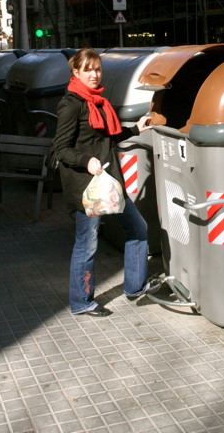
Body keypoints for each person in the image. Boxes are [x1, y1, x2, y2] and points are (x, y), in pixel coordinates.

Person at [53, 48, 156, 317]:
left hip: (109, 183)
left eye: (97, 69)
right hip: (87, 188)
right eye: (88, 69)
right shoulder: (71, 104)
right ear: (76, 72)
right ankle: (81, 301)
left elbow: (106, 137)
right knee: (87, 244)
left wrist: (136, 129)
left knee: (138, 228)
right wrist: (86, 160)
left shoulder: (99, 101)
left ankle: (135, 287)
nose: (94, 74)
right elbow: (60, 149)